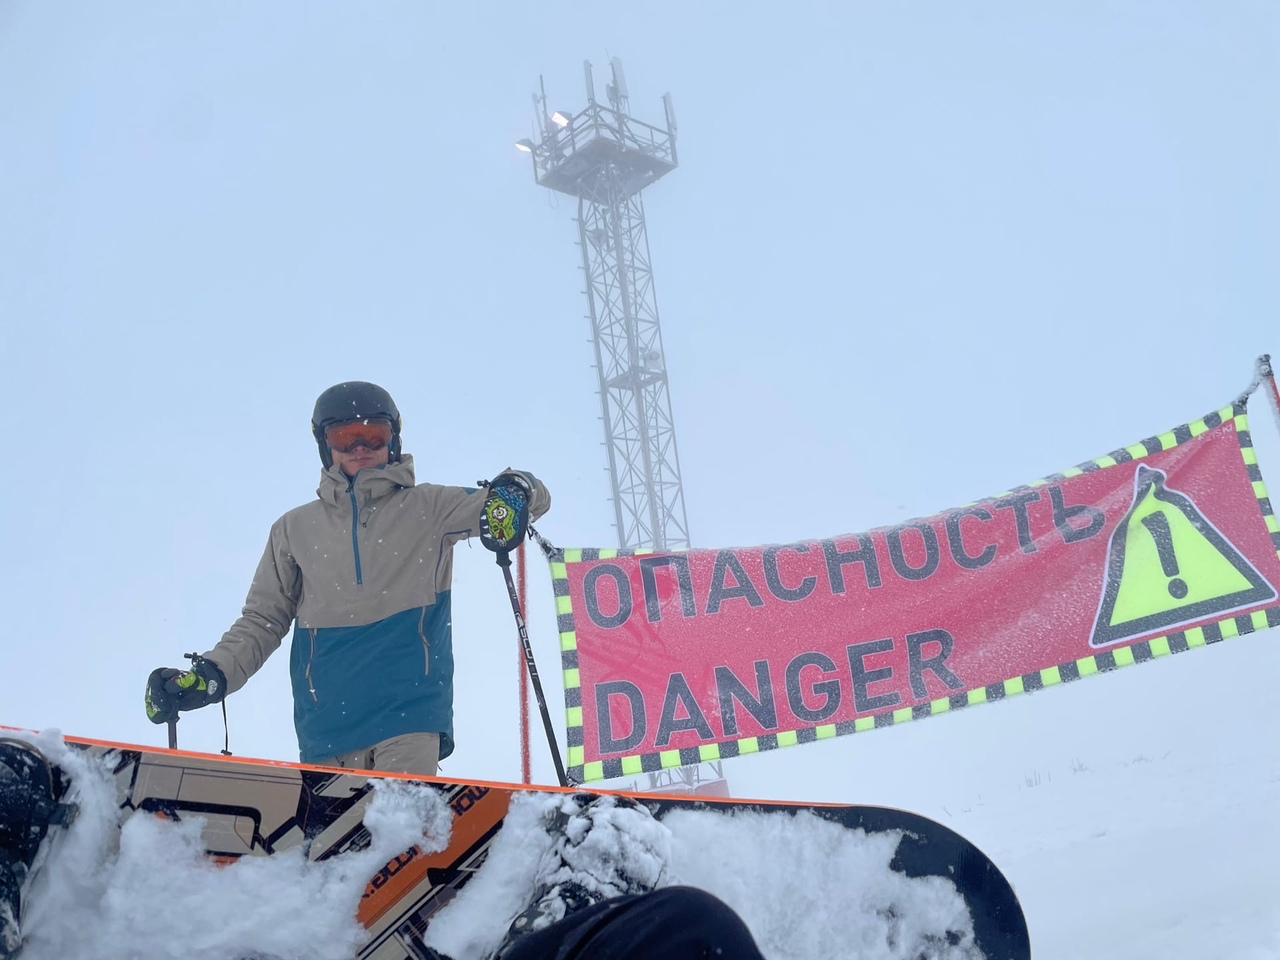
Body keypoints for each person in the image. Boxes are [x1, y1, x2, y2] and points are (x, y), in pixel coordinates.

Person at [144, 381, 551, 776]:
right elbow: (262, 621)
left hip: (411, 711)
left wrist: (516, 489)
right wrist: (213, 674)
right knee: (341, 841)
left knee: (402, 831)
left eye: (373, 436)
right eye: (346, 437)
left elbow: (531, 498)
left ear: (393, 440)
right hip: (327, 724)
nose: (360, 448)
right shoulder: (293, 529)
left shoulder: (430, 507)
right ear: (325, 446)